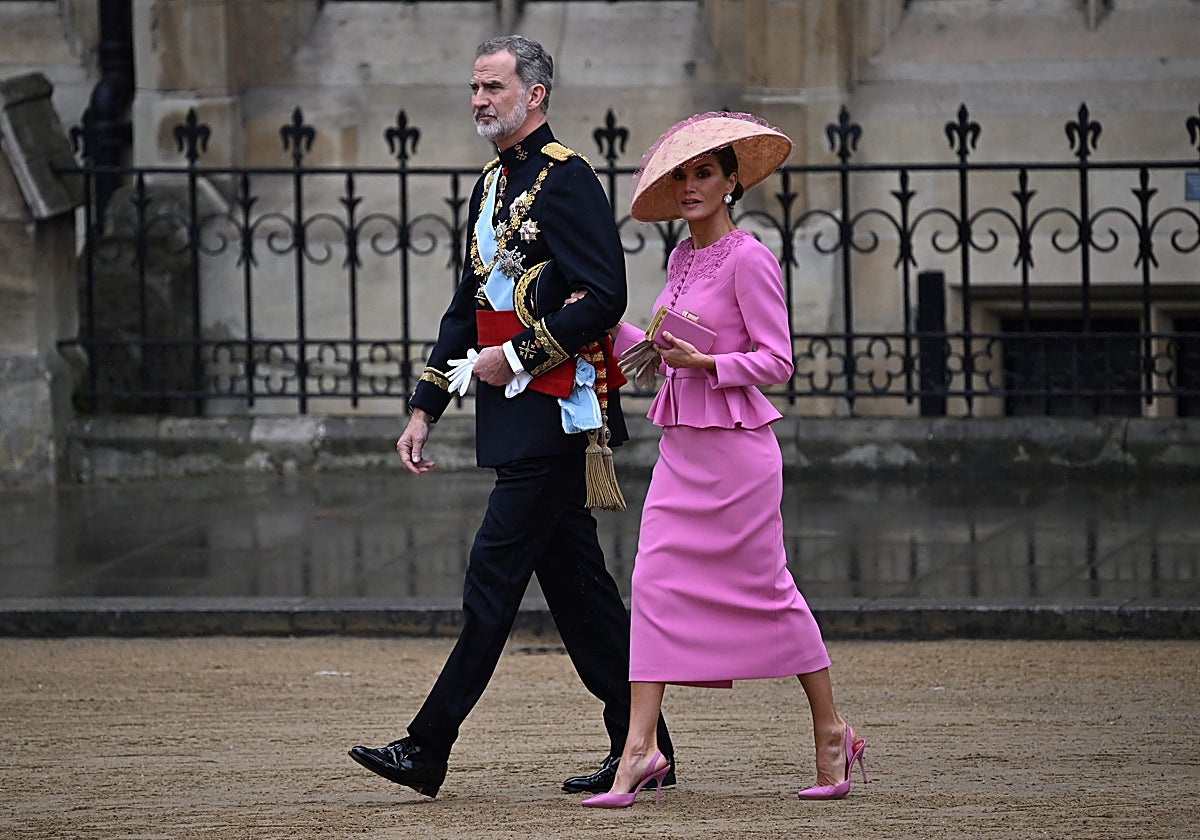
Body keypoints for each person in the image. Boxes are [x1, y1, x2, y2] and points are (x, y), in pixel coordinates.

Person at [347, 34, 674, 799]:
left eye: (492, 87)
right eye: (473, 88)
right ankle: (646, 747)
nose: (478, 101)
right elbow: (467, 307)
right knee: (583, 598)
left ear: (536, 95)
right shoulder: (491, 184)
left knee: (491, 579)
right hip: (512, 412)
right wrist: (425, 406)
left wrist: (521, 356)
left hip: (557, 413)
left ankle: (428, 746)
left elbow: (606, 295)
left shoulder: (568, 180)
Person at [579, 112, 867, 808]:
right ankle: (641, 749)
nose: (690, 185)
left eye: (704, 172)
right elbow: (655, 352)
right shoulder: (680, 259)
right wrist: (592, 317)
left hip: (738, 458)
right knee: (650, 585)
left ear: (733, 180)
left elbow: (778, 361)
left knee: (768, 592)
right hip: (682, 454)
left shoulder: (750, 257)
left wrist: (706, 360)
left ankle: (832, 731)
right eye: (681, 174)